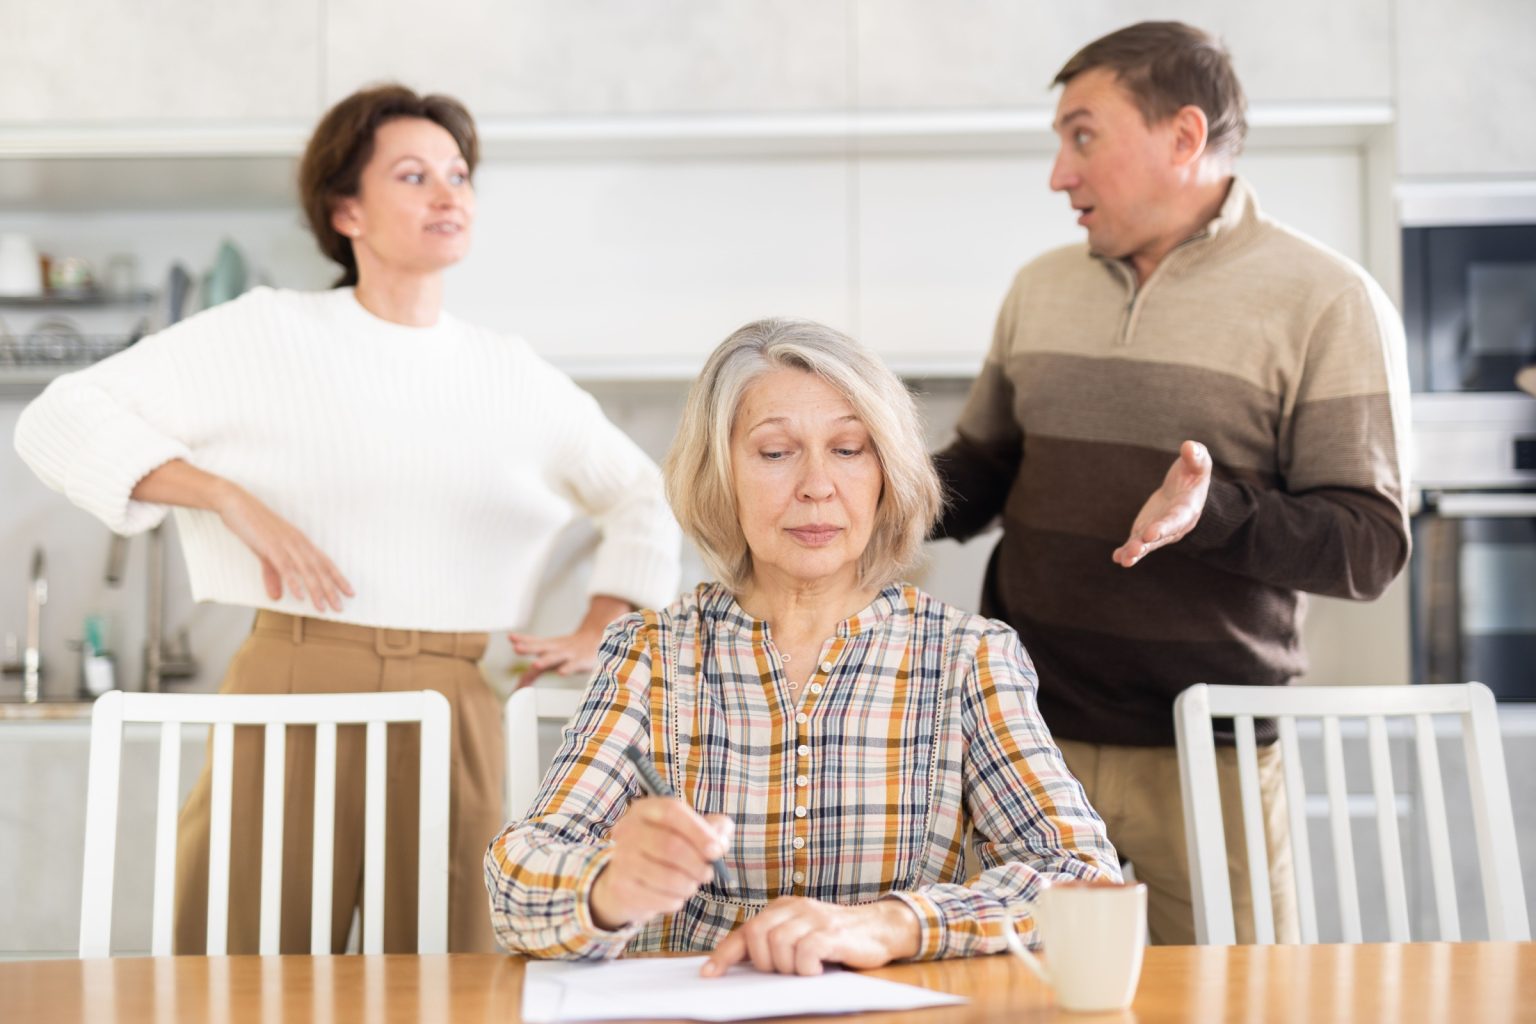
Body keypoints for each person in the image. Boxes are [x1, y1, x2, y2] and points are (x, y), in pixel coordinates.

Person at [14, 85, 680, 954]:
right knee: (244, 968)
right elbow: (58, 418)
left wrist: (605, 622)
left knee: (451, 975)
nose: (447, 194)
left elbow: (642, 495)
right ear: (346, 211)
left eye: (458, 175)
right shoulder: (265, 333)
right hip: (292, 675)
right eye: (413, 175)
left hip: (457, 695)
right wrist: (226, 496)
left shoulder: (511, 373)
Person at [932, 22, 1412, 945]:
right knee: (1013, 997)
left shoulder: (1325, 299)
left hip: (1208, 758)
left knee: (1238, 1001)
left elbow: (1370, 545)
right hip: (1029, 743)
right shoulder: (1039, 287)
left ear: (1184, 136)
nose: (1059, 175)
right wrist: (868, 482)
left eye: (1083, 136)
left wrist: (1212, 513)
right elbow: (983, 472)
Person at [484, 318, 1119, 973]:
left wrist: (890, 925)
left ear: (887, 473)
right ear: (720, 474)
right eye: (775, 452)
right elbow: (515, 882)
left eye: (848, 449)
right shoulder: (650, 653)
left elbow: (1081, 873)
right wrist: (608, 888)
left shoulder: (968, 656)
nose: (818, 485)